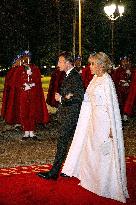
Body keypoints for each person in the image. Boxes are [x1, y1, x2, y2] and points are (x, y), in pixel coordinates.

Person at [61, 52, 129, 203]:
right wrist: (71, 97)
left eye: (92, 64)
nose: (89, 67)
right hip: (93, 121)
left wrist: (112, 128)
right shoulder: (94, 79)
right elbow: (87, 99)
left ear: (100, 65)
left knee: (104, 152)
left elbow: (111, 107)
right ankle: (92, 180)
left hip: (104, 122)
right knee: (93, 150)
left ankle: (105, 184)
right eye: (89, 63)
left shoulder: (106, 80)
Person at [37, 51, 84, 179]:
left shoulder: (74, 76)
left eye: (60, 61)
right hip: (67, 114)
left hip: (71, 115)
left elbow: (79, 96)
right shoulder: (69, 75)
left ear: (67, 63)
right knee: (75, 143)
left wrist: (62, 99)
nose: (58, 64)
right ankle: (74, 169)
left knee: (63, 143)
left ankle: (54, 173)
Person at [1, 50, 49, 140]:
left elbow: (38, 81)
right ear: (22, 58)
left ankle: (32, 132)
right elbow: (14, 82)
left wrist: (32, 84)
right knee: (24, 112)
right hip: (23, 94)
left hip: (33, 94)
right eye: (25, 57)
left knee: (32, 112)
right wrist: (23, 86)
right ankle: (26, 132)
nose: (27, 58)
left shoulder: (35, 68)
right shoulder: (19, 69)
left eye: (28, 57)